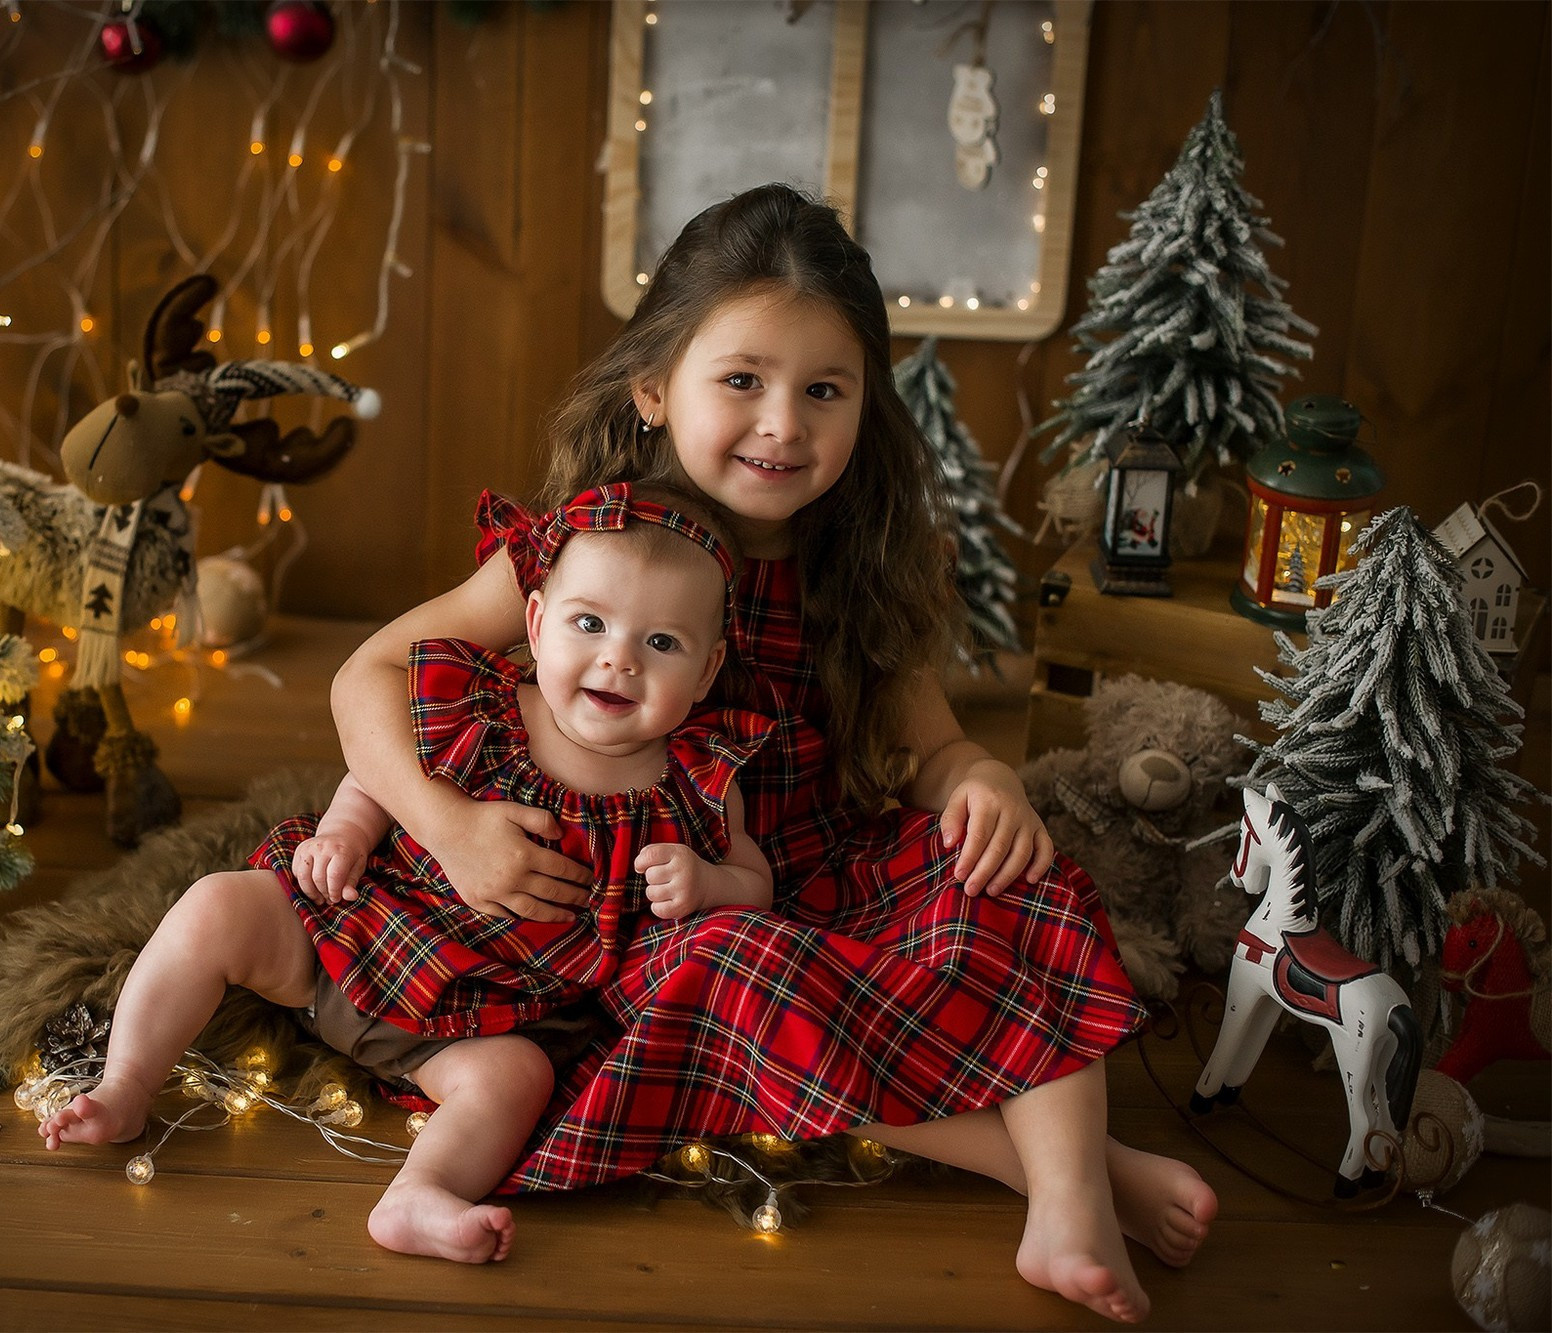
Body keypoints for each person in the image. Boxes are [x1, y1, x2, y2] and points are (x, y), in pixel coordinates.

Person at [325, 184, 1216, 1323]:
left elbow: (932, 748)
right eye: (741, 380)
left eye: (821, 391)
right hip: (663, 911)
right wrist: (442, 825)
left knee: (1014, 885)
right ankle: (1063, 1169)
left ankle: (1067, 1216)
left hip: (815, 865)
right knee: (750, 975)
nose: (782, 424)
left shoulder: (849, 563)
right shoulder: (586, 548)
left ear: (862, 410)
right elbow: (370, 673)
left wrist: (980, 778)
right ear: (653, 387)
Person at [42, 482, 775, 1267]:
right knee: (217, 904)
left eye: (661, 643)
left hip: (477, 1021)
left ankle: (419, 1193)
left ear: (707, 670)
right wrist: (343, 832)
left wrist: (707, 882)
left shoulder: (697, 778)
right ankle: (125, 1084)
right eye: (588, 623)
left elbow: (754, 878)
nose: (618, 658)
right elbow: (377, 770)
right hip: (352, 933)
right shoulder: (486, 705)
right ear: (535, 623)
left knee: (516, 1079)